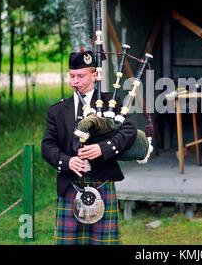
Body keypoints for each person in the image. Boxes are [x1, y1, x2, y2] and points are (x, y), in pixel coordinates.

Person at [41, 50, 137, 245]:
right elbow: (47, 145)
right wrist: (66, 161)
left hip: (101, 181)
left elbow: (129, 130)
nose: (75, 81)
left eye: (81, 76)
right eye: (72, 76)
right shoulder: (57, 111)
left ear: (95, 75)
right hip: (71, 184)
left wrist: (104, 148)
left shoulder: (111, 103)